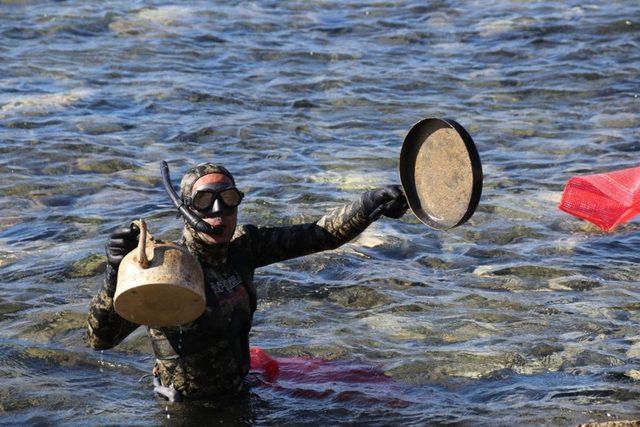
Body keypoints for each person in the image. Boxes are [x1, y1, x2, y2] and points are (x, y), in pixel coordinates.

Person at [86, 162, 408, 401]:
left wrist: (369, 205)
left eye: (228, 198)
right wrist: (116, 273)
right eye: (204, 202)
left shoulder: (244, 248)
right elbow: (101, 339)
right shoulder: (168, 267)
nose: (218, 211)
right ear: (186, 210)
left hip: (240, 392)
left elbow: (318, 235)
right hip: (186, 410)